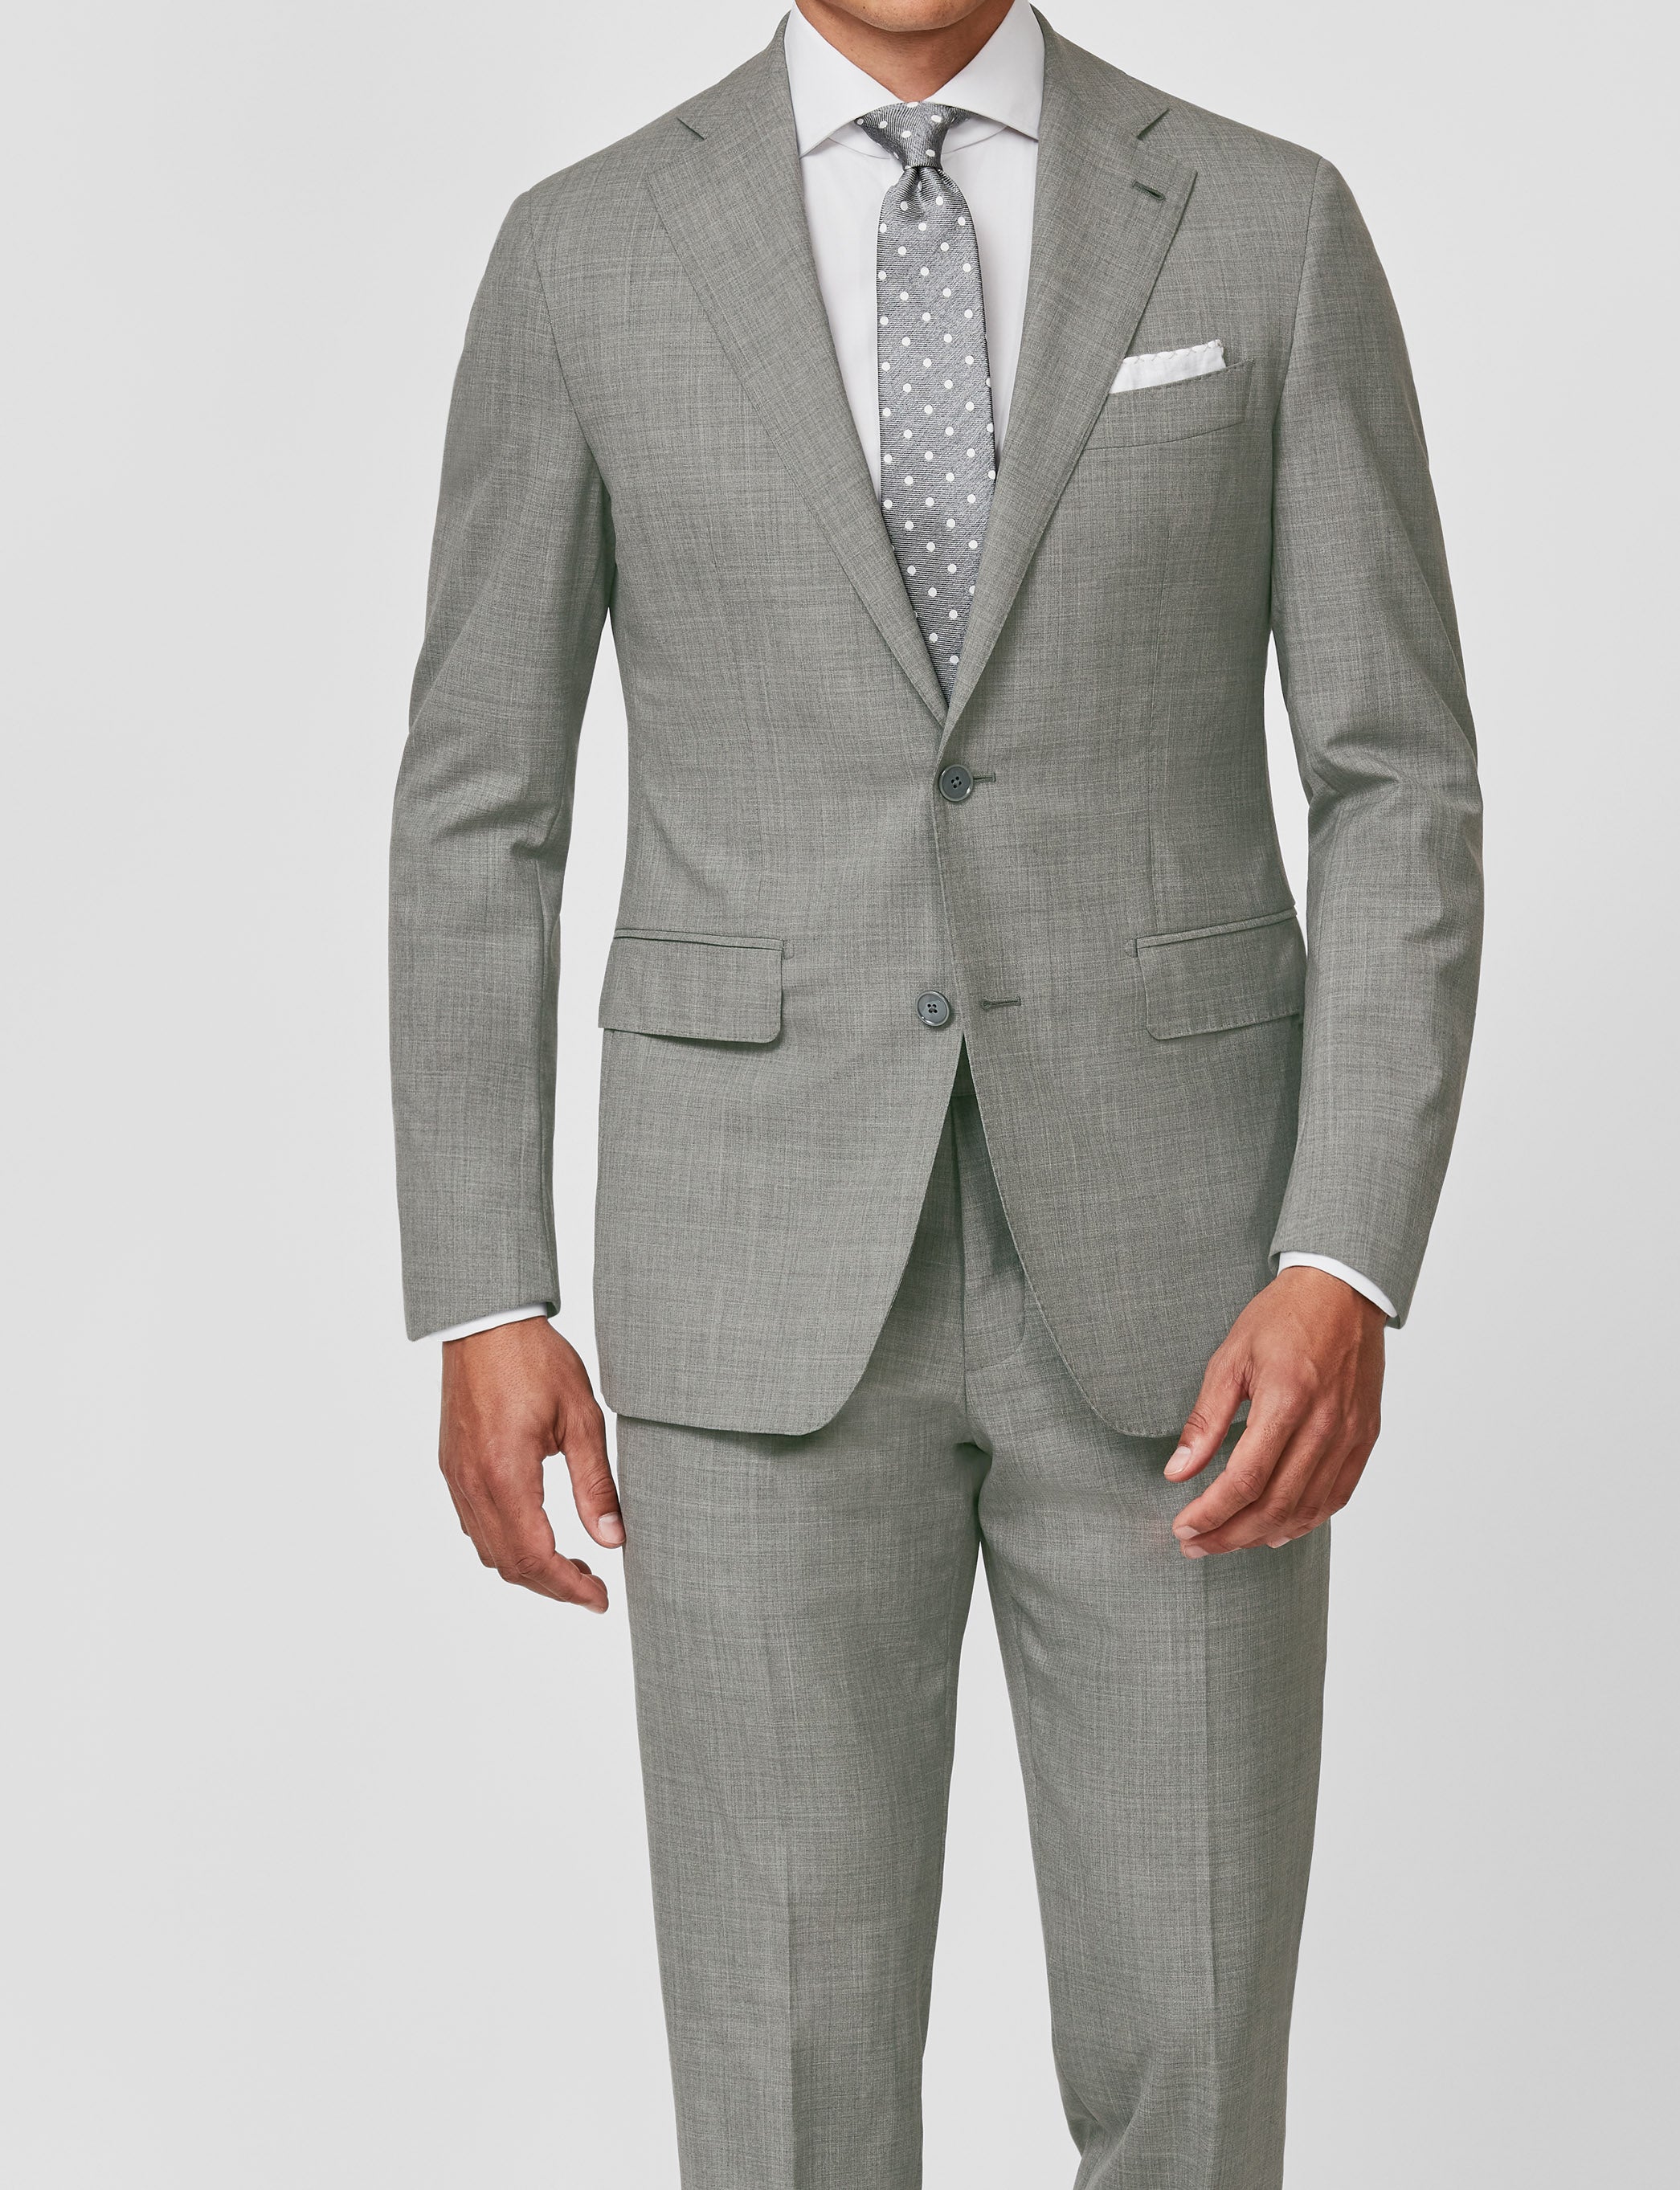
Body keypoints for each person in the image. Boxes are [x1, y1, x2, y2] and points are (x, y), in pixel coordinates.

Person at [389, 1, 1482, 2181]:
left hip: (1197, 1299)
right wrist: (484, 1288)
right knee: (784, 2081)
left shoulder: (1265, 226)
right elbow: (477, 809)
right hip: (749, 1276)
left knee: (1192, 2058)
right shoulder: (582, 256)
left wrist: (1347, 1250)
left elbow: (1397, 778)